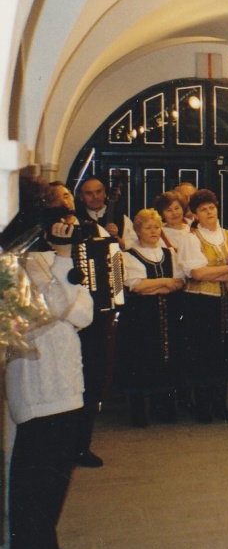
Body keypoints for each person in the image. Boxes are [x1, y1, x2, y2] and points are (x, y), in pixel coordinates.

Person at [3, 177, 91, 549]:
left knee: (57, 474)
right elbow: (49, 311)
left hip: (65, 380)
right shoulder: (15, 258)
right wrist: (63, 261)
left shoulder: (48, 258)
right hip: (36, 384)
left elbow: (82, 311)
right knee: (34, 478)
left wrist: (61, 281)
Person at [52, 181, 119, 468]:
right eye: (58, 197)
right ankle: (60, 446)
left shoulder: (92, 229)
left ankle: (81, 446)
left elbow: (114, 256)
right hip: (60, 322)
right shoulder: (44, 235)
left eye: (66, 194)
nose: (64, 200)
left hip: (95, 319)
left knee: (91, 381)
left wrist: (115, 291)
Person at [177, 189, 228, 423]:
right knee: (203, 352)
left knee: (224, 350)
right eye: (203, 209)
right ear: (195, 214)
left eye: (212, 208)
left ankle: (220, 404)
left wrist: (213, 272)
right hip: (201, 303)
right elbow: (196, 273)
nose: (209, 212)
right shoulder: (191, 238)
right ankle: (203, 406)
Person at [116, 209, 185, 426]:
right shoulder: (129, 255)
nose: (154, 231)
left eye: (156, 227)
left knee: (166, 357)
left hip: (167, 314)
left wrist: (155, 286)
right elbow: (137, 286)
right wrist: (165, 283)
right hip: (141, 316)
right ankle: (138, 412)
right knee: (141, 358)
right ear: (138, 231)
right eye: (148, 227)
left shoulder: (170, 253)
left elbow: (179, 281)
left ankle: (163, 407)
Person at [76, 175, 136, 248]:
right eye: (89, 193)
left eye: (98, 192)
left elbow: (133, 246)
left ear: (104, 193)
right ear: (81, 197)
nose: (95, 197)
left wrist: (116, 237)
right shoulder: (77, 219)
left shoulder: (121, 218)